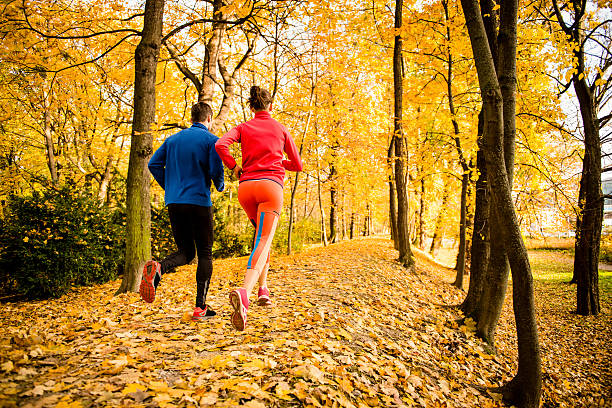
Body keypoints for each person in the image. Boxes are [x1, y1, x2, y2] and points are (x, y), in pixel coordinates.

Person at [215, 86, 302, 331]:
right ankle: (245, 292)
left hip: (246, 188)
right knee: (263, 239)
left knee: (262, 239)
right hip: (270, 188)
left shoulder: (243, 127)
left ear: (251, 107)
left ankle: (263, 289)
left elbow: (221, 145)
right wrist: (277, 161)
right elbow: (297, 164)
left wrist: (234, 165)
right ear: (271, 106)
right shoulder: (280, 128)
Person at [140, 102, 225, 321]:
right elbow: (216, 169)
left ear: (191, 119)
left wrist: (170, 187)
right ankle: (200, 307)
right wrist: (220, 184)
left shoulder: (172, 140)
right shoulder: (211, 141)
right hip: (198, 201)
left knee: (186, 253)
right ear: (209, 119)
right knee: (205, 253)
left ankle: (159, 267)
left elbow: (153, 164)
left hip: (175, 203)